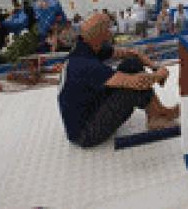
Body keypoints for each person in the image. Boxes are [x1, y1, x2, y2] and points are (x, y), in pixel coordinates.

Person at [57, 13, 179, 148]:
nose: (112, 32)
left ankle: (157, 113)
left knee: (132, 64)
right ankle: (156, 118)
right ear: (99, 34)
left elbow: (132, 53)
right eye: (108, 29)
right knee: (132, 88)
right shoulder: (85, 65)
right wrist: (160, 74)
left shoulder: (87, 47)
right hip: (85, 134)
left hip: (91, 107)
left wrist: (153, 66)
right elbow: (137, 82)